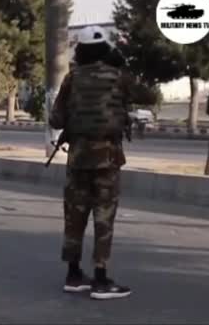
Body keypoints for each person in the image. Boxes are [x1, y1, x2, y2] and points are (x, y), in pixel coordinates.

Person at [49, 26, 157, 300]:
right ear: (106, 49)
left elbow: (56, 120)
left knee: (74, 216)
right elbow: (150, 96)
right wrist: (121, 63)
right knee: (103, 218)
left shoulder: (72, 79)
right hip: (107, 159)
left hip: (78, 159)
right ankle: (100, 278)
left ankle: (73, 275)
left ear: (80, 50)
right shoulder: (119, 77)